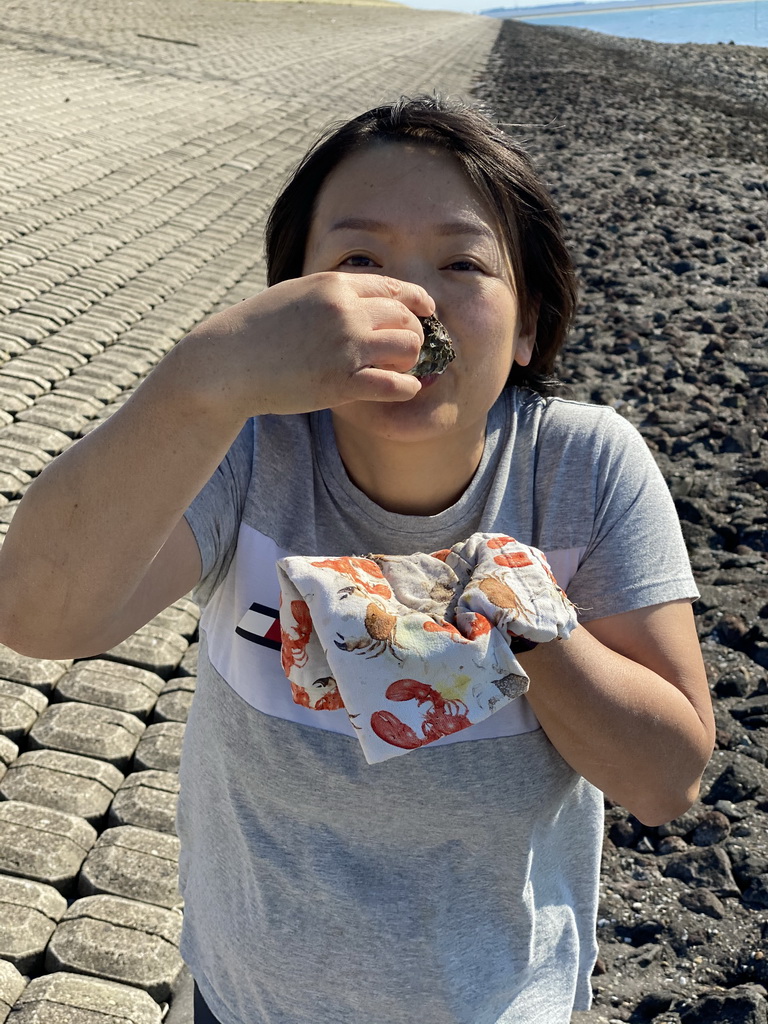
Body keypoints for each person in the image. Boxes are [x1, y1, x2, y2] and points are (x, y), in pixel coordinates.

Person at [0, 96, 715, 1024]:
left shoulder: (580, 467)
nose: (409, 303)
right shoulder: (250, 449)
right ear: (292, 306)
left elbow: (668, 779)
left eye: (461, 262)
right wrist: (203, 379)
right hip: (246, 1000)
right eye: (356, 262)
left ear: (529, 324)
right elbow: (38, 617)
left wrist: (525, 620)